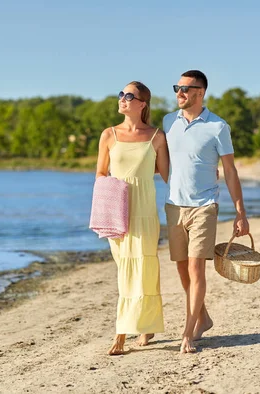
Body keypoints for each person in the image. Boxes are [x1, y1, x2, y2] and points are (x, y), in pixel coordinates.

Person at [163, 70, 250, 354]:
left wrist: (240, 212)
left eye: (185, 89)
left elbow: (230, 170)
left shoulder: (218, 127)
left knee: (195, 267)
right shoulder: (168, 122)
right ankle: (203, 317)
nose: (179, 93)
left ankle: (187, 331)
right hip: (174, 206)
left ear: (200, 92)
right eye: (177, 87)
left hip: (204, 207)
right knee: (181, 269)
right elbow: (159, 159)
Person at [95, 81, 170, 355]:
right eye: (121, 94)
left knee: (145, 269)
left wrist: (208, 173)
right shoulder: (109, 135)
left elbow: (168, 176)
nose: (122, 99)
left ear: (142, 104)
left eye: (129, 95)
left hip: (145, 213)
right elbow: (101, 175)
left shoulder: (156, 137)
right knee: (125, 270)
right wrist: (109, 206)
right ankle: (138, 325)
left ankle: (124, 333)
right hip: (118, 212)